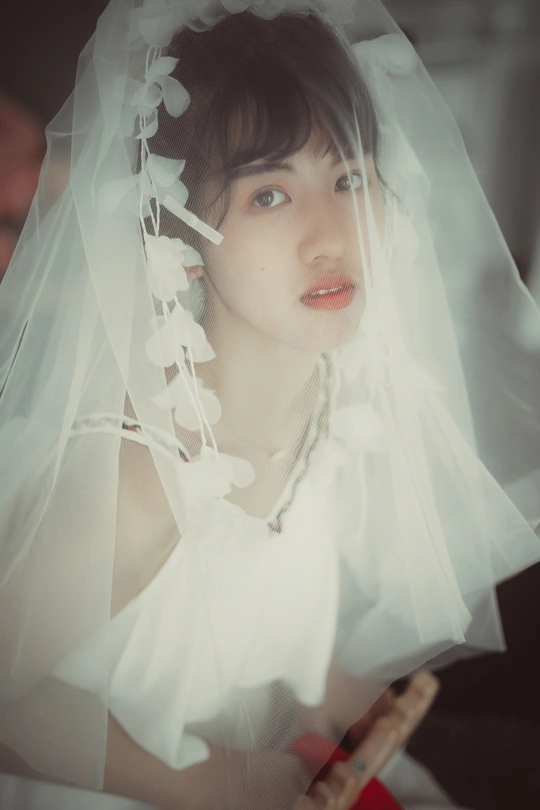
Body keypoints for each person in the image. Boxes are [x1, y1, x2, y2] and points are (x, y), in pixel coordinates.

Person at [1, 1, 539, 808]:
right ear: (181, 242)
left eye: (349, 178)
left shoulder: (339, 399)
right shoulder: (143, 480)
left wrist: (331, 687)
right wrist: (205, 779)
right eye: (269, 196)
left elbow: (269, 612)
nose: (332, 236)